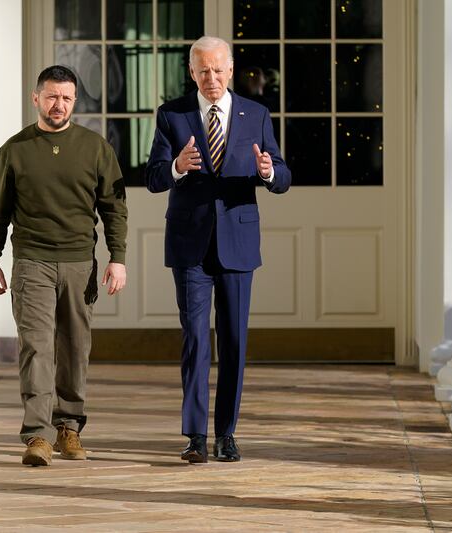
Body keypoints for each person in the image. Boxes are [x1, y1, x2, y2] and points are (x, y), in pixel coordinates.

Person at [145, 36, 290, 463]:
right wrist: (176, 167)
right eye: (203, 71)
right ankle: (194, 436)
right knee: (195, 340)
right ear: (192, 72)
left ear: (231, 70)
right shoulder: (172, 115)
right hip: (190, 245)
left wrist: (267, 172)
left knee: (234, 341)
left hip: (239, 244)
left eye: (219, 70)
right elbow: (153, 177)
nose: (212, 78)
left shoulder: (257, 114)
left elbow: (282, 174)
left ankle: (226, 433)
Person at [0, 65, 128, 467]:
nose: (58, 105)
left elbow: (115, 209)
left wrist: (118, 258)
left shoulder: (95, 148)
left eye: (65, 98)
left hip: (80, 264)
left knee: (75, 350)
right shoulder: (14, 150)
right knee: (37, 348)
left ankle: (69, 428)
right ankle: (38, 435)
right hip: (32, 264)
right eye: (51, 97)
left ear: (75, 101)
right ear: (36, 98)